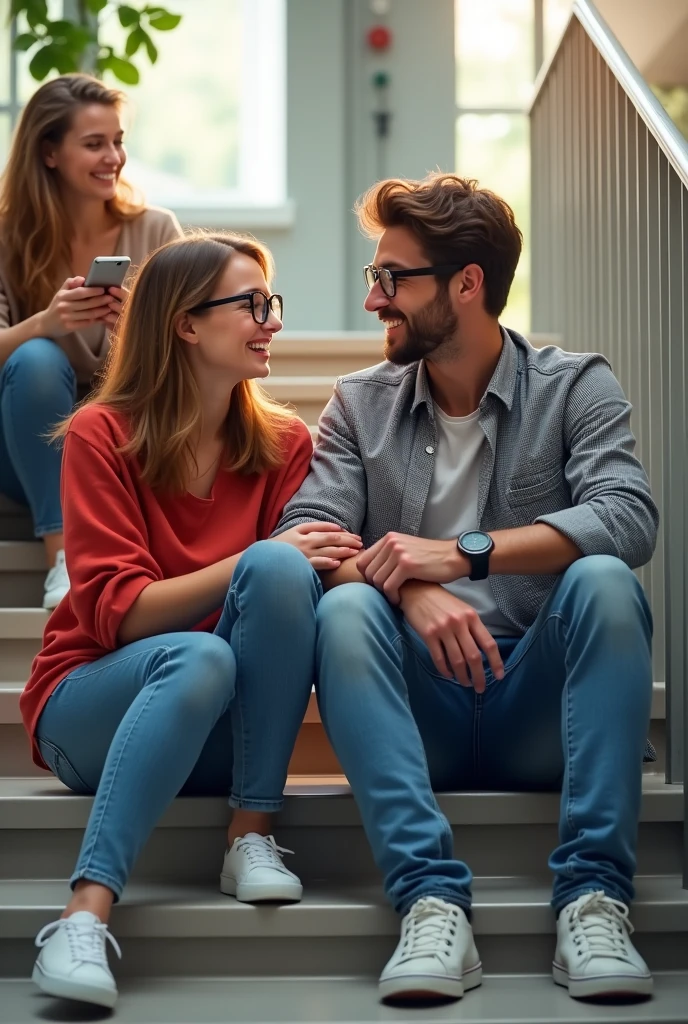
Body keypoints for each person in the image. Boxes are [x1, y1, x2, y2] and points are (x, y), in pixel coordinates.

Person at [276, 173, 659, 1005]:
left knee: (602, 580)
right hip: (423, 709)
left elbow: (630, 519)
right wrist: (409, 589)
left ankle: (594, 899)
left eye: (392, 278)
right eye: (376, 278)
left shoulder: (574, 385)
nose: (375, 299)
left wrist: (460, 555)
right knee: (345, 606)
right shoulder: (357, 404)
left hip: (538, 708)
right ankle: (429, 899)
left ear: (467, 283)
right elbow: (300, 541)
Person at [20, 231, 362, 1009]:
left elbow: (308, 574)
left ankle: (250, 833)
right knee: (210, 645)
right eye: (250, 305)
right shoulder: (101, 435)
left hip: (223, 737)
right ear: (185, 323)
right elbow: (118, 616)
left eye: (270, 304)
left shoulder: (285, 445)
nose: (270, 321)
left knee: (278, 569)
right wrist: (247, 565)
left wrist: (423, 572)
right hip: (92, 707)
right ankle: (84, 913)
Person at [0, 73, 182, 609]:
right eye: (95, 144)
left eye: (118, 141)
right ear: (50, 153)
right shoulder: (8, 240)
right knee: (36, 358)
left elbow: (198, 347)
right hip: (26, 448)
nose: (114, 157)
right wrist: (43, 324)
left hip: (121, 443)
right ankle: (64, 554)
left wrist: (138, 327)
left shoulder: (156, 230)